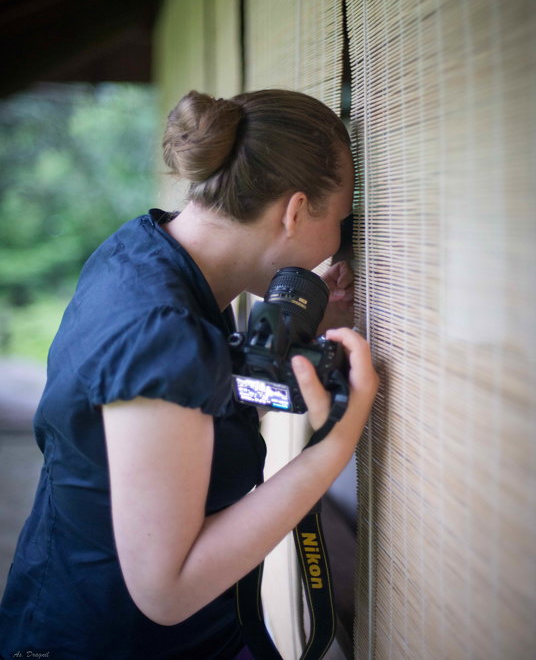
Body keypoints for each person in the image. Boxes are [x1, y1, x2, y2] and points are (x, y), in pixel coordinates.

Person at [0, 89, 378, 660]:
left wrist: (298, 324)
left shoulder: (146, 252)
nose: (340, 244)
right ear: (295, 211)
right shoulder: (161, 332)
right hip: (107, 642)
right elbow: (166, 591)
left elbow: (188, 401)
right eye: (343, 221)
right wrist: (332, 448)